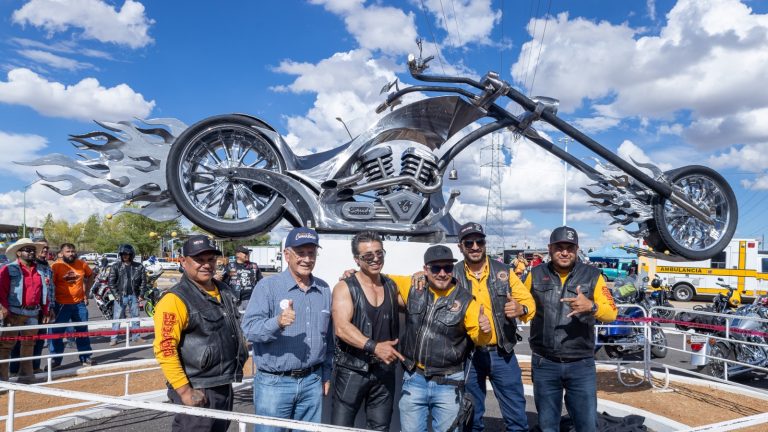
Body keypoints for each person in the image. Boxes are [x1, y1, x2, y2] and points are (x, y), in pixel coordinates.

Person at [152, 235, 248, 432]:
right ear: (183, 261)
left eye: (211, 259)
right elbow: (165, 348)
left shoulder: (224, 290)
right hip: (197, 386)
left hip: (222, 383)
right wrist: (184, 390)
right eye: (199, 260)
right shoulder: (175, 299)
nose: (206, 265)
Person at [526, 226, 618, 432]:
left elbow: (612, 313)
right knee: (548, 426)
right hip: (544, 362)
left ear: (577, 249)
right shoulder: (535, 274)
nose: (565, 252)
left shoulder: (593, 275)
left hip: (581, 364)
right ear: (550, 249)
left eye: (570, 247)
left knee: (587, 425)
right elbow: (524, 307)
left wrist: (592, 307)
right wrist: (517, 308)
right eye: (559, 247)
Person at [241, 227, 333, 431]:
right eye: (301, 253)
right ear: (287, 255)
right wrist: (278, 322)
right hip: (274, 384)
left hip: (312, 381)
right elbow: (248, 329)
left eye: (311, 253)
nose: (307, 259)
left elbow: (329, 339)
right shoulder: (268, 287)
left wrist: (326, 374)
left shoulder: (324, 289)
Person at [398, 245, 492, 432]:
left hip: (449, 383)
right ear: (425, 269)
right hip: (414, 378)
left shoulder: (466, 300)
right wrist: (351, 273)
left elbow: (480, 339)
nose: (442, 273)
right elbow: (377, 281)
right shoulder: (412, 286)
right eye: (436, 268)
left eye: (447, 268)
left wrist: (485, 331)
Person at [454, 222, 536, 432]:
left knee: (516, 416)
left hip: (502, 353)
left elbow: (529, 302)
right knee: (471, 417)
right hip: (467, 355)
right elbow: (427, 285)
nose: (474, 246)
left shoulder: (504, 272)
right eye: (469, 242)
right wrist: (419, 276)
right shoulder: (452, 275)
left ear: (484, 244)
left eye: (479, 241)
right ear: (460, 246)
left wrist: (521, 308)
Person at [330, 231, 403, 430]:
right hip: (352, 370)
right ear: (357, 259)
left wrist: (422, 275)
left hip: (384, 371)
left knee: (380, 427)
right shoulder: (345, 287)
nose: (376, 259)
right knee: (341, 428)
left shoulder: (391, 285)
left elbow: (416, 302)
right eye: (368, 256)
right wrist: (374, 347)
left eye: (380, 253)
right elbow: (342, 328)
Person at [0, 238, 55, 384]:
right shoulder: (8, 269)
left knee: (29, 345)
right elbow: (1, 291)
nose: (31, 252)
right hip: (13, 313)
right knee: (6, 346)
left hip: (33, 313)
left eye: (32, 250)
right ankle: (2, 378)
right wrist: (4, 309)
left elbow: (44, 292)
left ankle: (26, 375)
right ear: (18, 253)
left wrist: (46, 310)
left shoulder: (40, 270)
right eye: (27, 250)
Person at [49, 243, 96, 368]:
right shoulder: (56, 266)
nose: (71, 253)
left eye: (73, 251)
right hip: (61, 305)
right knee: (56, 333)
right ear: (61, 253)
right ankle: (55, 360)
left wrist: (86, 292)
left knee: (82, 331)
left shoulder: (82, 264)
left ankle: (86, 357)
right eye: (68, 251)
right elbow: (50, 286)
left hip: (79, 304)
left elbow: (90, 276)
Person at [108, 244, 147, 345]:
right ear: (120, 255)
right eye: (123, 254)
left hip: (134, 295)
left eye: (127, 254)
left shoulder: (139, 267)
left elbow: (143, 282)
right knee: (117, 317)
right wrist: (116, 295)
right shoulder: (115, 266)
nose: (125, 256)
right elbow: (111, 282)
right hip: (120, 296)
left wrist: (141, 294)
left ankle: (136, 337)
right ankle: (114, 338)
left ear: (131, 254)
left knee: (135, 316)